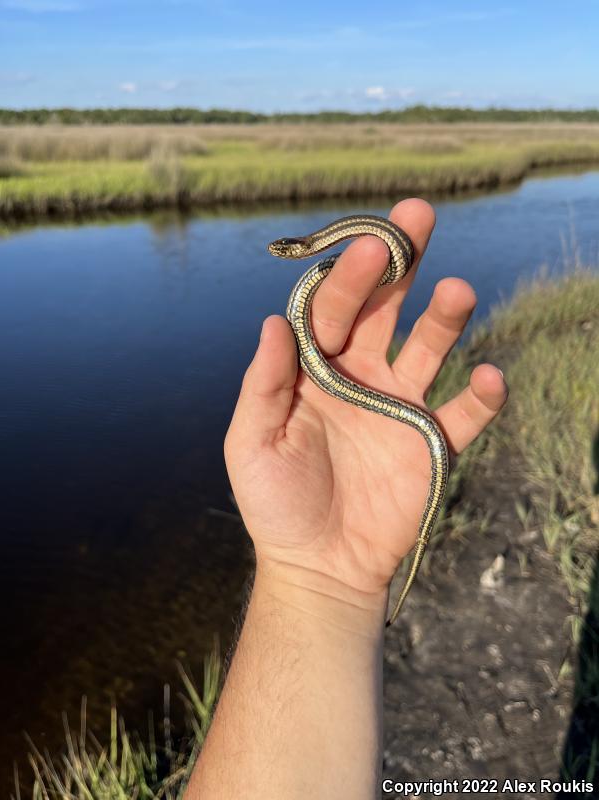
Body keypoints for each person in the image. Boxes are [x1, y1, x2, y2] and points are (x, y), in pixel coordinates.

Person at [184, 198, 508, 799]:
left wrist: (318, 583)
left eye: (286, 250)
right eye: (289, 252)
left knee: (379, 262)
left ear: (299, 249)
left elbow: (376, 261)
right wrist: (309, 572)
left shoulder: (322, 262)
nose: (281, 255)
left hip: (353, 257)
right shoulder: (316, 267)